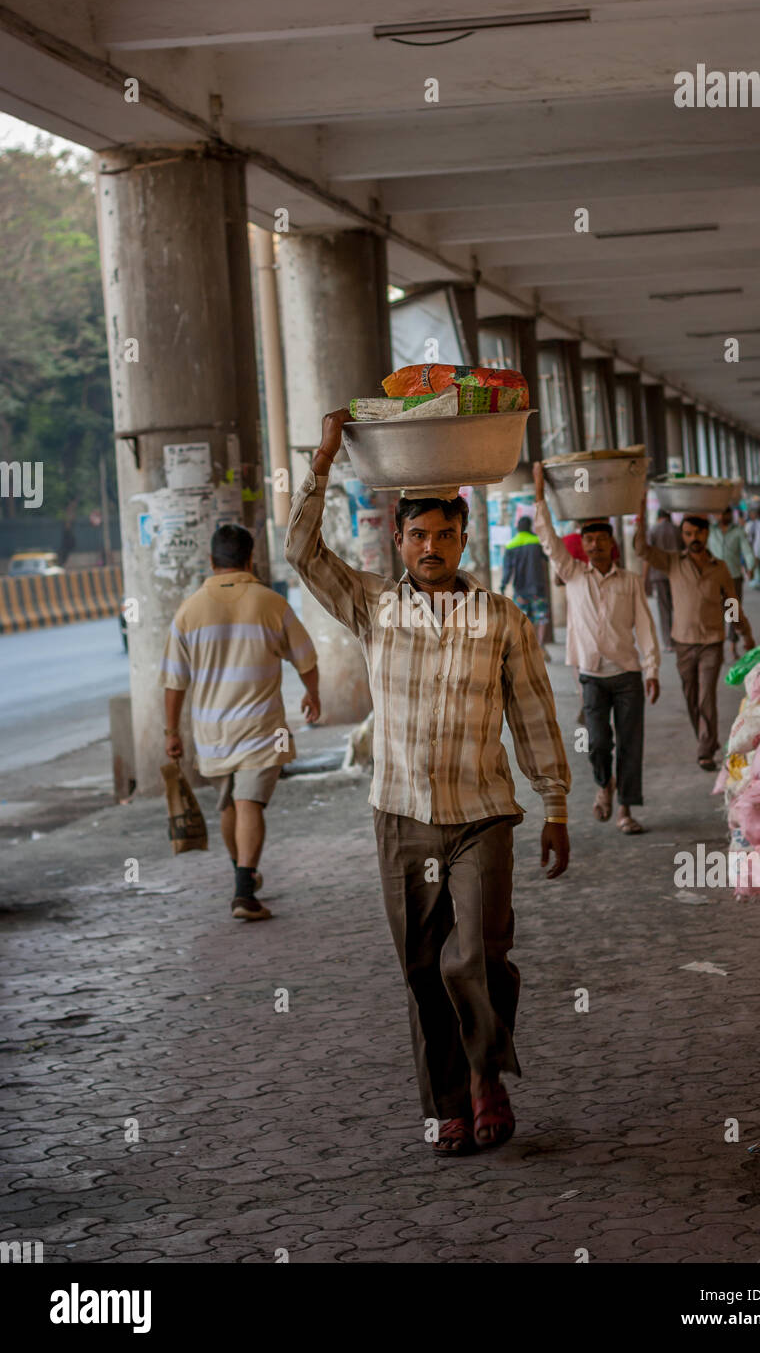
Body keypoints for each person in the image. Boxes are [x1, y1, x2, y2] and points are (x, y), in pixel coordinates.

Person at [285, 411, 571, 1159]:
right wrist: (321, 461)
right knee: (421, 968)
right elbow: (300, 550)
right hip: (402, 816)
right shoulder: (373, 606)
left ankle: (484, 1078)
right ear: (398, 542)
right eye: (418, 536)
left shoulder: (502, 619)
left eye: (445, 534)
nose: (431, 548)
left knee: (474, 953)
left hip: (484, 815)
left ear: (463, 538)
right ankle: (446, 1104)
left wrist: (557, 805)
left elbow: (534, 714)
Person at [161, 524, 320, 922]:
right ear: (250, 559)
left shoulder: (188, 610)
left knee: (231, 803)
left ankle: (243, 878)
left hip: (211, 731)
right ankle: (244, 890)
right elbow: (306, 657)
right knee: (249, 803)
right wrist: (311, 693)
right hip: (263, 727)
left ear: (212, 562)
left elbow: (173, 681)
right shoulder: (270, 603)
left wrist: (171, 732)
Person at [533, 464, 659, 834]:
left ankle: (625, 810)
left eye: (601, 539)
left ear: (611, 544)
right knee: (598, 742)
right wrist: (539, 493)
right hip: (590, 674)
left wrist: (652, 670)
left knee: (631, 744)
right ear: (584, 546)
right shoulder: (572, 575)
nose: (594, 545)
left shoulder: (631, 581)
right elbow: (547, 538)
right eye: (588, 541)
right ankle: (604, 784)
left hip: (628, 675)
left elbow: (646, 628)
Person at [634, 500, 754, 771]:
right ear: (683, 536)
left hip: (712, 642)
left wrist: (745, 634)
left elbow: (731, 604)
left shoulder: (720, 567)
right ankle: (706, 741)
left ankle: (705, 749)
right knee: (691, 697)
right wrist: (641, 512)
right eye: (688, 534)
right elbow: (641, 549)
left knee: (705, 696)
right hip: (683, 644)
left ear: (706, 534)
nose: (693, 539)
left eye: (698, 534)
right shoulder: (672, 562)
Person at [709, 506, 756, 660]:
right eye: (720, 512)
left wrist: (750, 566)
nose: (723, 515)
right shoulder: (710, 531)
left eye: (726, 513)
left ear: (731, 514)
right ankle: (718, 649)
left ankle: (732, 647)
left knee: (733, 614)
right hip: (713, 579)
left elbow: (747, 550)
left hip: (733, 578)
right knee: (715, 615)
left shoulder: (738, 531)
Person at [500, 515, 551, 654]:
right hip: (538, 587)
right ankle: (540, 645)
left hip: (520, 589)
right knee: (541, 617)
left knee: (522, 619)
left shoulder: (511, 545)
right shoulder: (537, 542)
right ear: (530, 527)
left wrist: (503, 585)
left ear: (517, 528)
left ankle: (527, 646)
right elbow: (547, 557)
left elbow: (507, 569)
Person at [643, 508, 679, 651]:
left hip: (658, 575)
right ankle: (679, 638)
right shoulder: (677, 530)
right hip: (676, 573)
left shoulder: (653, 531)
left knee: (664, 609)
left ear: (658, 517)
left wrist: (644, 578)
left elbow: (647, 556)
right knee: (677, 607)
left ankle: (668, 642)